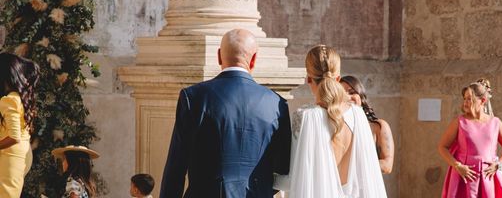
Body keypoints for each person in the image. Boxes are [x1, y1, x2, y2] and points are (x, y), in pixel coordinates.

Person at [159, 28, 291, 198]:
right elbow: (282, 167)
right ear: (253, 60)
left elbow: (176, 168)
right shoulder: (276, 104)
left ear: (219, 56)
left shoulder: (194, 97)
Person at [275, 45, 387, 197]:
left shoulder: (305, 117)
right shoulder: (358, 115)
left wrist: (267, 177)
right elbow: (366, 173)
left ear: (308, 78)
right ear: (338, 78)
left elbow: (294, 181)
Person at [438, 78, 502, 198]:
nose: (465, 102)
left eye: (469, 99)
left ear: (483, 100)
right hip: (464, 176)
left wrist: (499, 164)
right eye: (464, 98)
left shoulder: (495, 123)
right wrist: (457, 166)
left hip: (488, 177)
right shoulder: (459, 122)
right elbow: (442, 147)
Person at [0, 52, 39, 198]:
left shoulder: (8, 100)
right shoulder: (19, 97)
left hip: (11, 155)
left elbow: (13, 137)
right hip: (22, 152)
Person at [340, 75, 394, 173]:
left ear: (361, 96)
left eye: (352, 92)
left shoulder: (378, 126)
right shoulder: (335, 128)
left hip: (368, 186)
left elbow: (387, 165)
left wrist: (354, 164)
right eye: (341, 95)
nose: (347, 97)